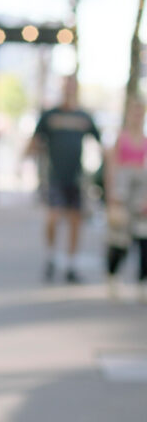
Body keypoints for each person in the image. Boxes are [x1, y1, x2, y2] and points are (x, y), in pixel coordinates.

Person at [28, 75, 102, 284]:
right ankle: (51, 257)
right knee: (53, 218)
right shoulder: (50, 115)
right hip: (55, 176)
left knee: (75, 221)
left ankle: (71, 264)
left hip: (76, 177)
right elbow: (35, 141)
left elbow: (99, 142)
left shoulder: (84, 116)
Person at [103, 97, 147, 302]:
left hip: (140, 195)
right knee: (119, 240)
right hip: (122, 194)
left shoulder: (145, 141)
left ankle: (142, 282)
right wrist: (112, 198)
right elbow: (112, 169)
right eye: (134, 112)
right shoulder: (121, 139)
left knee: (143, 238)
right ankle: (113, 276)